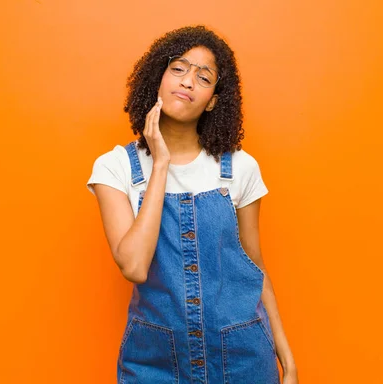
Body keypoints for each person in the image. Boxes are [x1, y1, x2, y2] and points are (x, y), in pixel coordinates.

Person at [87, 25, 298, 384]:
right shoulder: (116, 167)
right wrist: (161, 163)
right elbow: (134, 265)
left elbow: (254, 267)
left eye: (204, 77)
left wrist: (287, 360)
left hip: (243, 357)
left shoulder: (239, 168)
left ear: (213, 99)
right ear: (159, 77)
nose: (188, 82)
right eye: (179, 69)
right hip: (154, 362)